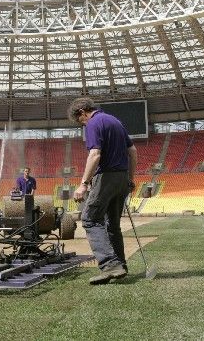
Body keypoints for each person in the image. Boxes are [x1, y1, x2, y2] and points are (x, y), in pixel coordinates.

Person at [69, 97, 137, 285]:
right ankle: (120, 265)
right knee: (112, 225)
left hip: (106, 176)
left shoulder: (93, 123)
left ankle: (109, 265)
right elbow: (132, 152)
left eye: (80, 120)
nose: (82, 124)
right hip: (122, 177)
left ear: (82, 112)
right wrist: (130, 179)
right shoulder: (115, 121)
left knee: (90, 219)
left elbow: (95, 154)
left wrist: (84, 183)